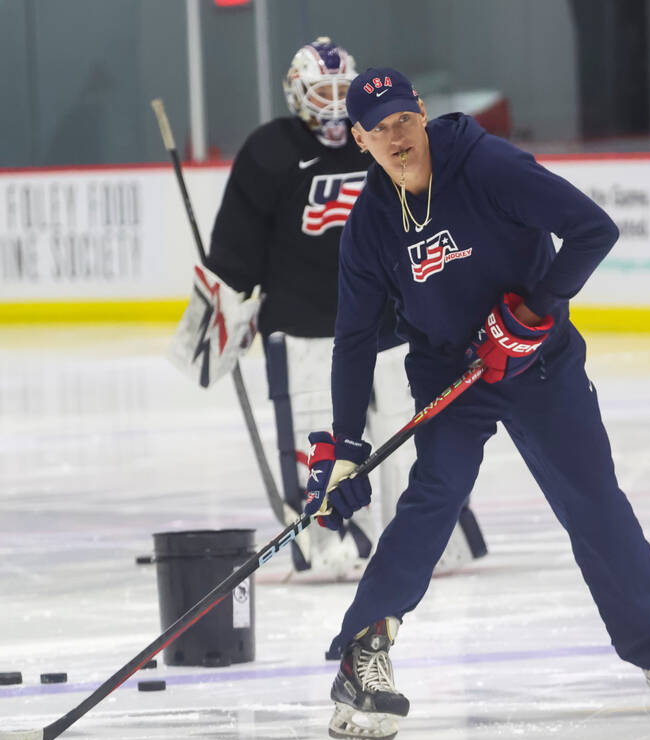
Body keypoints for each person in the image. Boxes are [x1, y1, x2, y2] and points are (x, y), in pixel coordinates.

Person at [303, 66, 650, 740]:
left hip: (541, 361)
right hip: (451, 370)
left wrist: (532, 312)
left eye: (404, 121)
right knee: (434, 492)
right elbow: (353, 340)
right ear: (360, 139)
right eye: (379, 130)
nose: (396, 137)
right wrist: (347, 445)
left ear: (420, 113)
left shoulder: (486, 166)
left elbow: (593, 229)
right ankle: (363, 653)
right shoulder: (369, 228)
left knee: (592, 498)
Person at [206, 38, 486, 581]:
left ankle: (433, 537)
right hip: (303, 326)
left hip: (396, 323)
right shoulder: (269, 150)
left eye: (342, 91)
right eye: (322, 91)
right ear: (297, 93)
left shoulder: (382, 141)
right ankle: (331, 542)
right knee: (321, 439)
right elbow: (236, 244)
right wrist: (226, 306)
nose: (334, 105)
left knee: (413, 432)